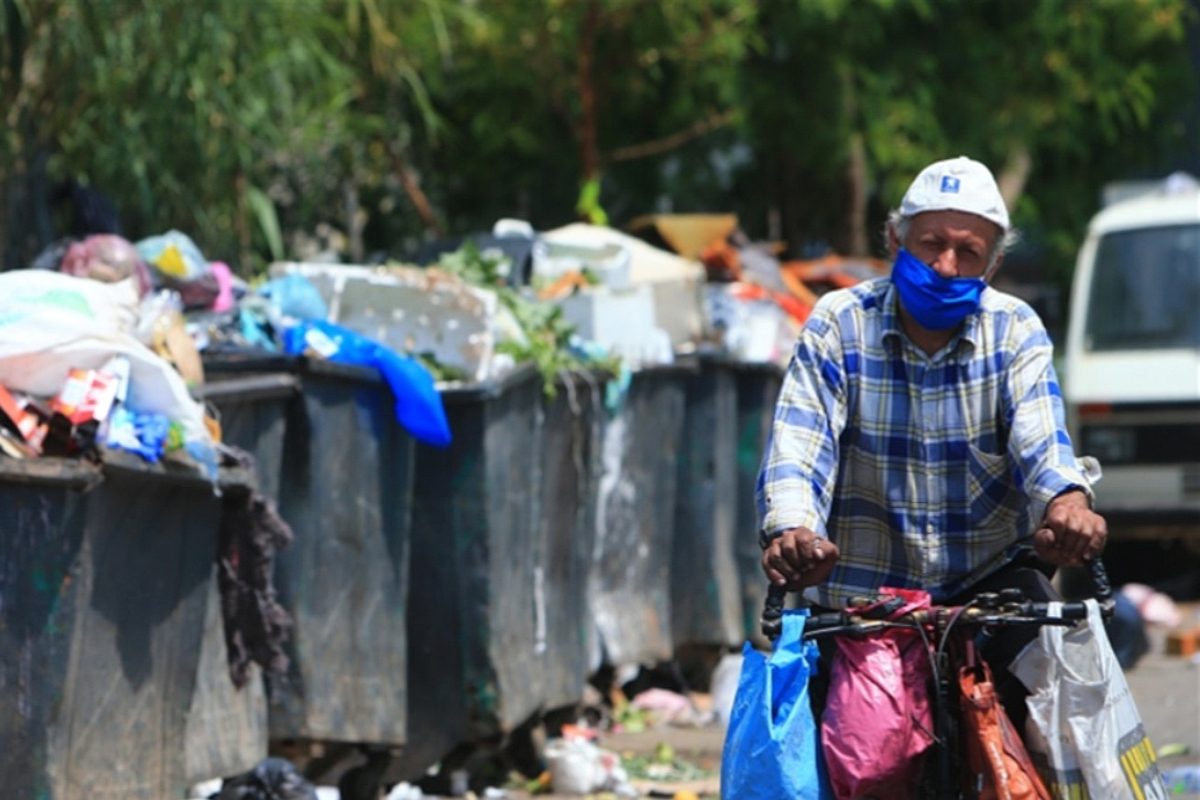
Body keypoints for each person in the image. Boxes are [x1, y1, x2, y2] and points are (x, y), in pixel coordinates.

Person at [755, 155, 1107, 726]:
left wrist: (1067, 502)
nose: (945, 265)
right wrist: (794, 529)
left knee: (1062, 734)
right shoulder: (840, 323)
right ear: (896, 240)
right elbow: (800, 445)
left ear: (990, 266)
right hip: (864, 601)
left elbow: (1042, 441)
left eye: (968, 251)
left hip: (990, 592)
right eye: (930, 244)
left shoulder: (1013, 329)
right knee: (851, 766)